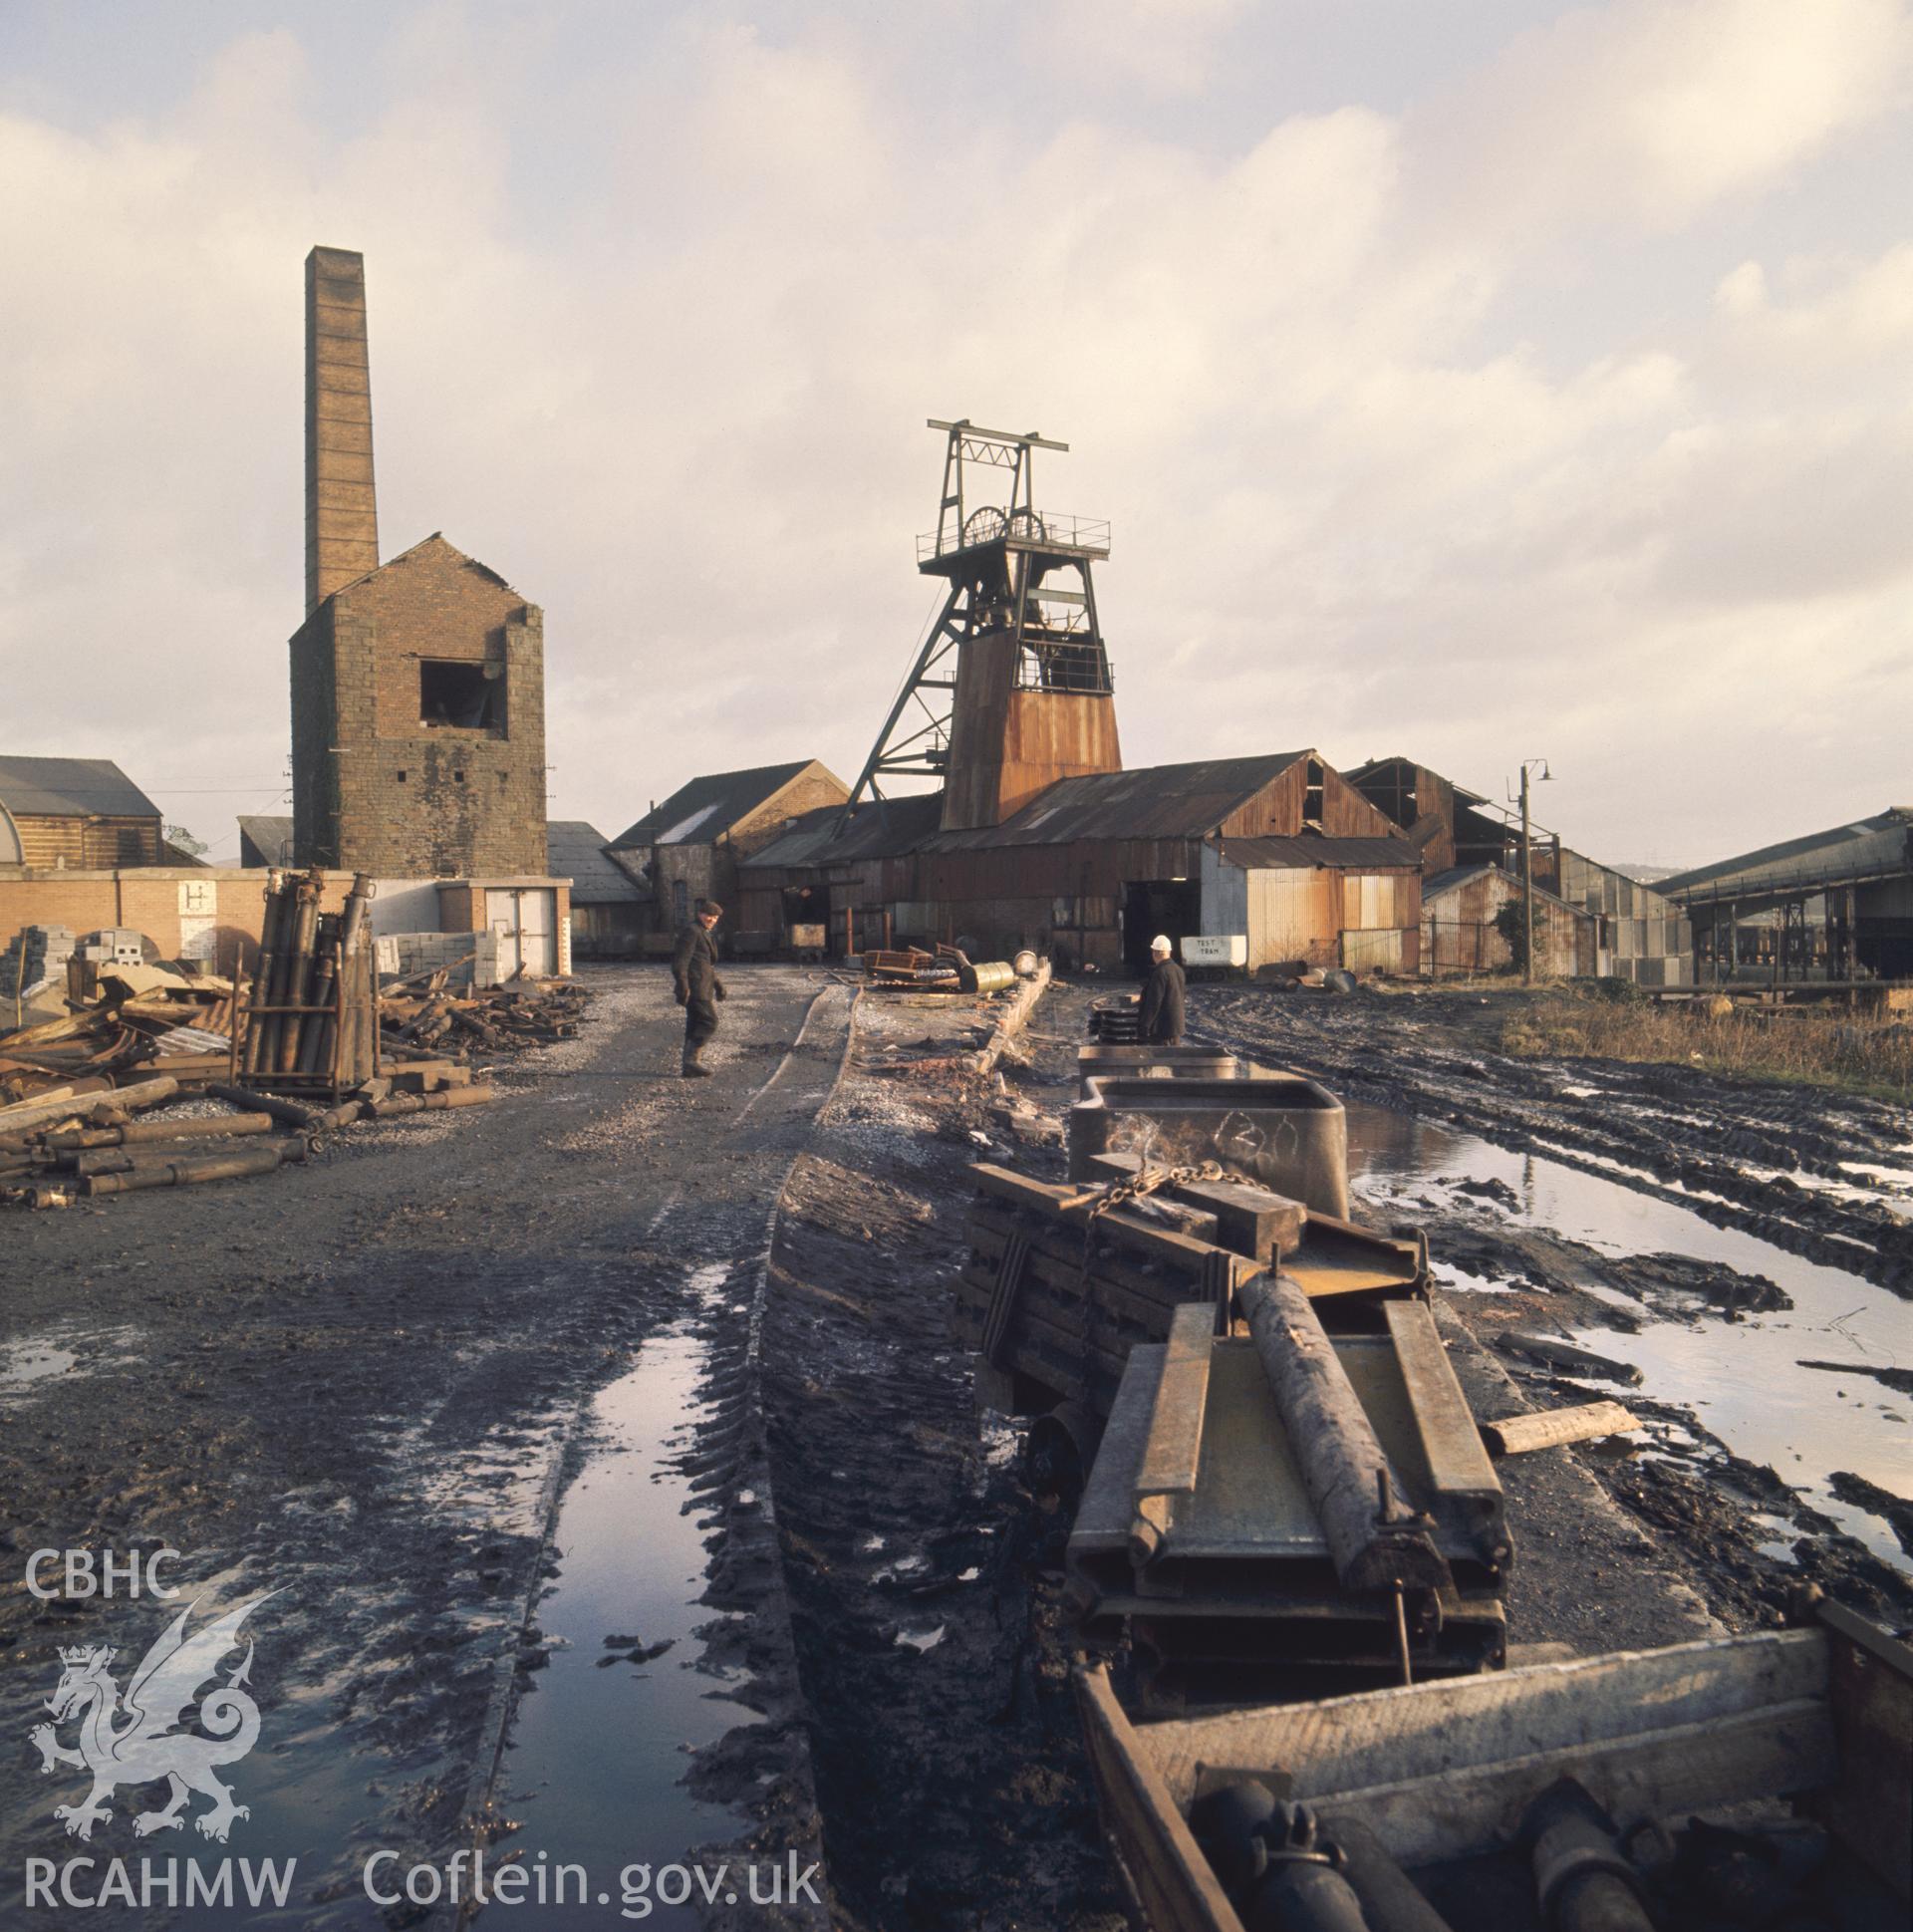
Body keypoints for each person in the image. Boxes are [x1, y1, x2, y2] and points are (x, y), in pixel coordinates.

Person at [673, 901, 726, 1078]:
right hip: (695, 987)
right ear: (700, 914)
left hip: (703, 985)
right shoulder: (692, 931)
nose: (712, 919)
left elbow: (706, 965)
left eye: (716, 917)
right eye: (709, 915)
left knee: (695, 1023)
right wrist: (683, 986)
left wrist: (718, 986)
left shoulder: (703, 932)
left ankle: (689, 1066)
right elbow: (680, 962)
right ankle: (691, 1062)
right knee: (709, 1022)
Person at [1139, 934, 1186, 1044]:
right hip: (1175, 1028)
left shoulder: (1160, 972)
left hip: (1162, 1030)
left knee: (1161, 1060)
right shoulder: (1178, 970)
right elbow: (1181, 996)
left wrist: (1145, 1025)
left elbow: (1154, 1002)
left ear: (1156, 952)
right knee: (1174, 1059)